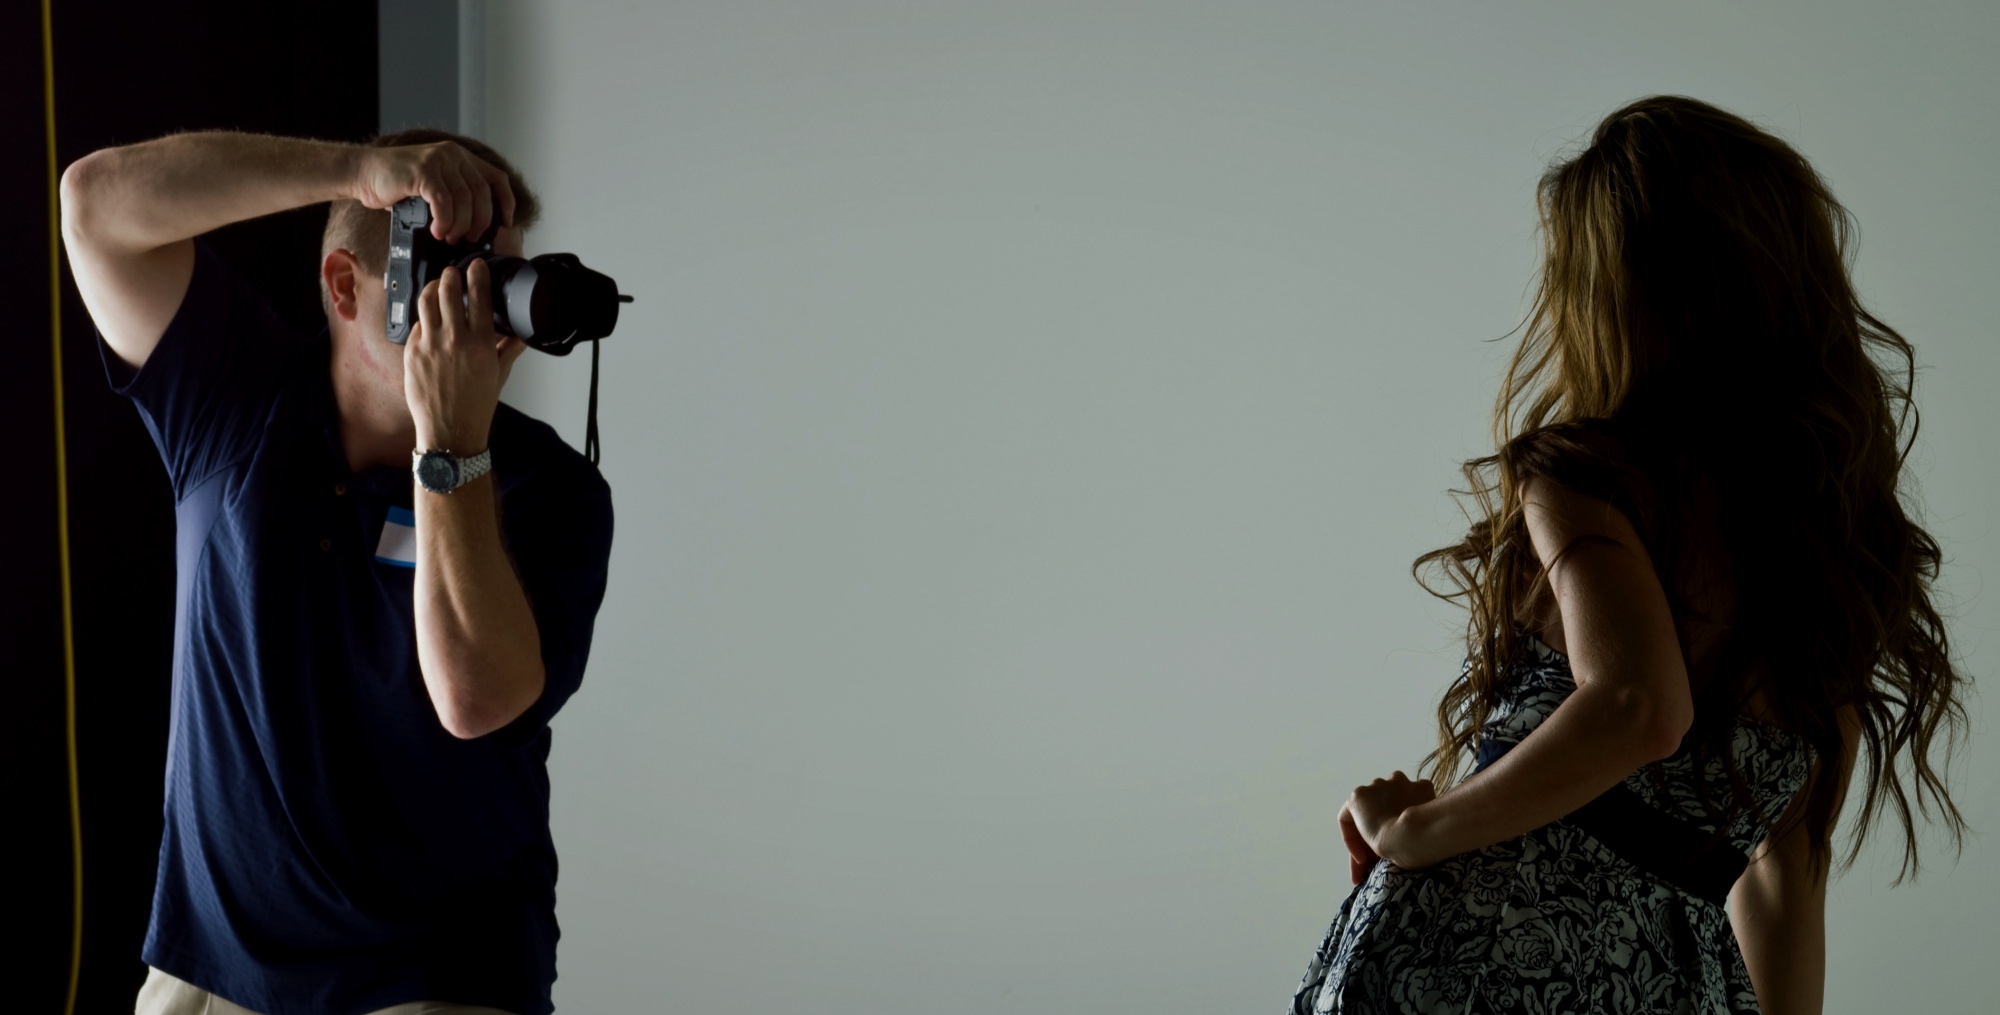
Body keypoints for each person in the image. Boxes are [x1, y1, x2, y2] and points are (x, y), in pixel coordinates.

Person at [1288, 95, 1969, 1015]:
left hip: (1471, 956)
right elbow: (1782, 889)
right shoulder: (1836, 567)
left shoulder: (1585, 474)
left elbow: (1640, 706)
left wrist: (1416, 830)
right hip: (1665, 985)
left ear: (1615, 291)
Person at [60, 127, 614, 1015]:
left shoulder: (548, 489)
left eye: (495, 277)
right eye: (450, 275)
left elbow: (475, 699)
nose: (476, 311)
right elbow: (93, 206)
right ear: (348, 286)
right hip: (213, 973)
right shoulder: (236, 392)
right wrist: (353, 171)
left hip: (436, 979)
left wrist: (451, 443)